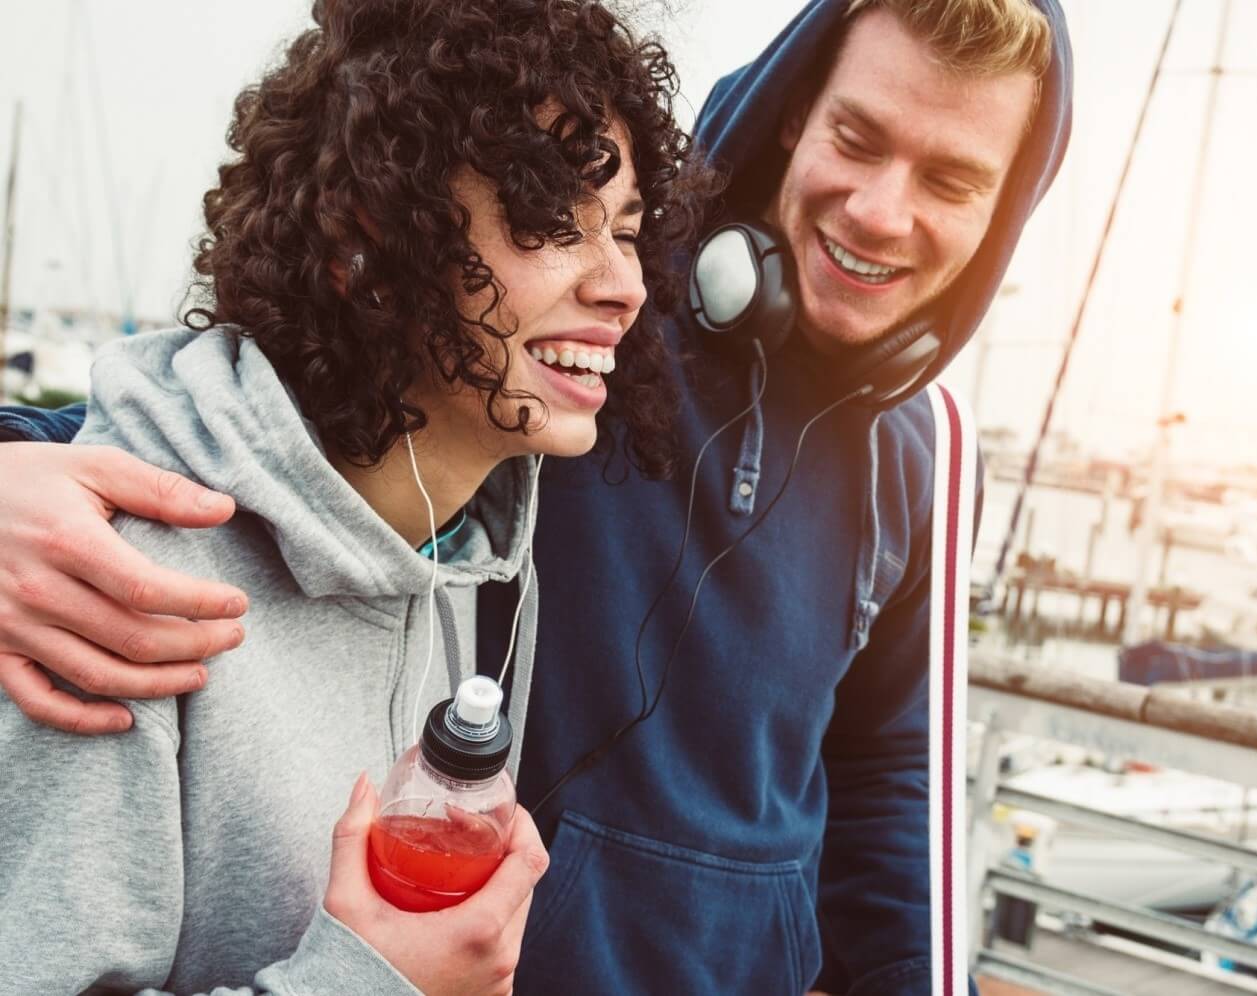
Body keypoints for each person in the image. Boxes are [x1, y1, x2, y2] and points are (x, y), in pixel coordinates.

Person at [0, 0, 1073, 992]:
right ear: (793, 119)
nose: (882, 212)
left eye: (948, 181)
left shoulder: (920, 447)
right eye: (858, 138)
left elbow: (893, 782)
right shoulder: (566, 355)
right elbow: (250, 427)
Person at [0, 0, 715, 992]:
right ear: (372, 237)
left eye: (629, 233)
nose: (623, 286)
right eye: (553, 219)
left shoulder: (467, 560)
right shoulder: (110, 582)